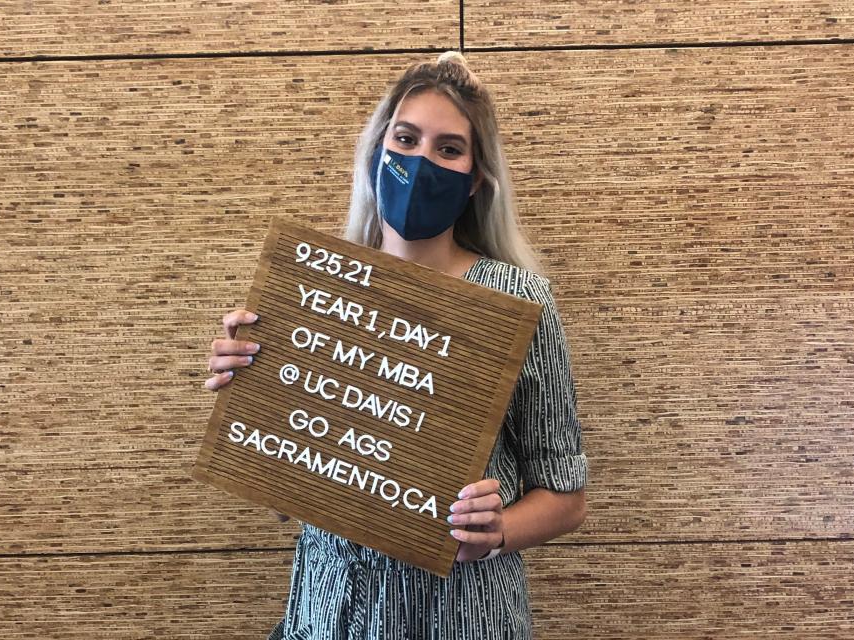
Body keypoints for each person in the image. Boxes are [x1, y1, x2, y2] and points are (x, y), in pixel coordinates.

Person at [205, 51, 588, 640]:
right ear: (377, 152)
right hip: (330, 614)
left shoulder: (516, 300)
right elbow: (291, 499)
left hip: (464, 620)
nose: (420, 161)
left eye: (449, 149)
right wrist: (251, 400)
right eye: (406, 139)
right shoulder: (319, 286)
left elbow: (566, 499)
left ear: (475, 180)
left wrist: (498, 533)